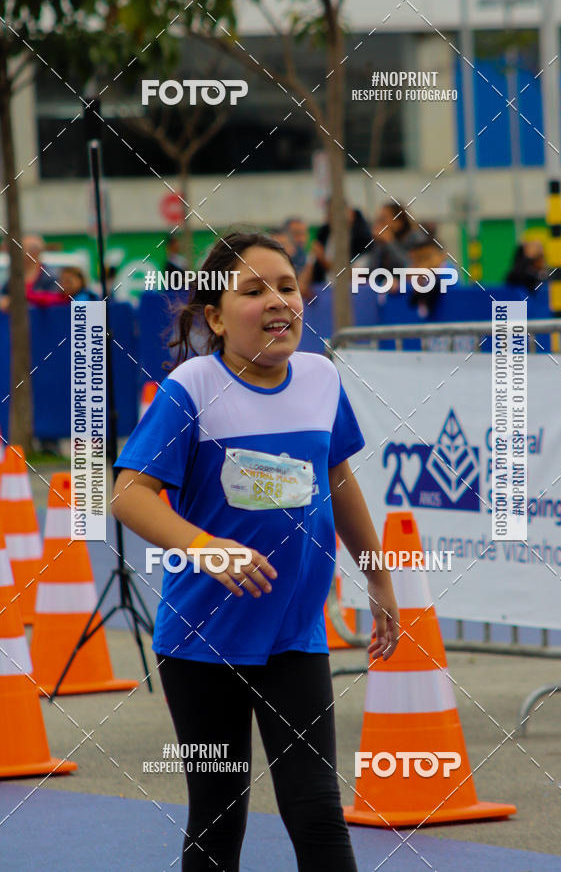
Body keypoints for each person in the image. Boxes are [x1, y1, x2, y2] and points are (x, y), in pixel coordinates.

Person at [111, 230, 399, 872]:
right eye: (253, 290)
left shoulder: (322, 378)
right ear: (214, 317)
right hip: (202, 642)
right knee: (219, 815)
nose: (278, 301)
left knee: (318, 809)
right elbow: (129, 495)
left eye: (289, 287)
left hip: (295, 636)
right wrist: (207, 548)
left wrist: (379, 577)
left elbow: (339, 479)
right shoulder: (193, 387)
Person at [307, 200, 372, 286]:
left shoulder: (363, 239)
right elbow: (311, 264)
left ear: (350, 214)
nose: (334, 219)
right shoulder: (324, 234)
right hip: (325, 291)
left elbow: (357, 274)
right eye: (330, 215)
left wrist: (324, 261)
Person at [0, 234, 65, 311]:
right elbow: (4, 295)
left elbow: (55, 302)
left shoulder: (51, 276)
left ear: (34, 253)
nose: (15, 255)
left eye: (19, 250)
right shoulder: (15, 275)